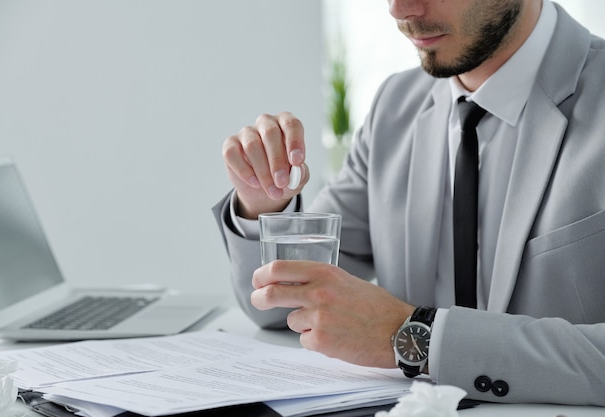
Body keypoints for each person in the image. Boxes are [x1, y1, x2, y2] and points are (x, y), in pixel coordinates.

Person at [213, 0, 605, 406]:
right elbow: (280, 307)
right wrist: (264, 205)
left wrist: (414, 334)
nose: (400, 9)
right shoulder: (394, 106)